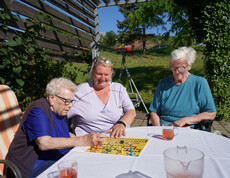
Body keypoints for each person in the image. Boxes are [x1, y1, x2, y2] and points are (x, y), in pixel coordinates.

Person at [6, 78, 107, 178]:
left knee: (93, 165)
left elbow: (64, 133)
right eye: (67, 101)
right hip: (32, 166)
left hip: (55, 159)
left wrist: (88, 139)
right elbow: (44, 143)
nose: (70, 105)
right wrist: (81, 140)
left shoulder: (59, 110)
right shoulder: (38, 111)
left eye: (72, 101)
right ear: (51, 98)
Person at [67, 57, 136, 138]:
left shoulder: (119, 89)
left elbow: (131, 111)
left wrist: (122, 124)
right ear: (93, 73)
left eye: (106, 74)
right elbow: (60, 115)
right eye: (99, 74)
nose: (103, 78)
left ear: (111, 74)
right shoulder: (79, 92)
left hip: (118, 138)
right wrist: (69, 137)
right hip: (89, 141)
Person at [149, 47, 216, 129]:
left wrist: (187, 120)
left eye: (181, 68)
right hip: (165, 129)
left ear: (189, 66)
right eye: (173, 67)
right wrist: (158, 129)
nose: (177, 72)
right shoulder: (163, 84)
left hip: (190, 129)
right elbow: (154, 112)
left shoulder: (200, 83)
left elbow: (211, 113)